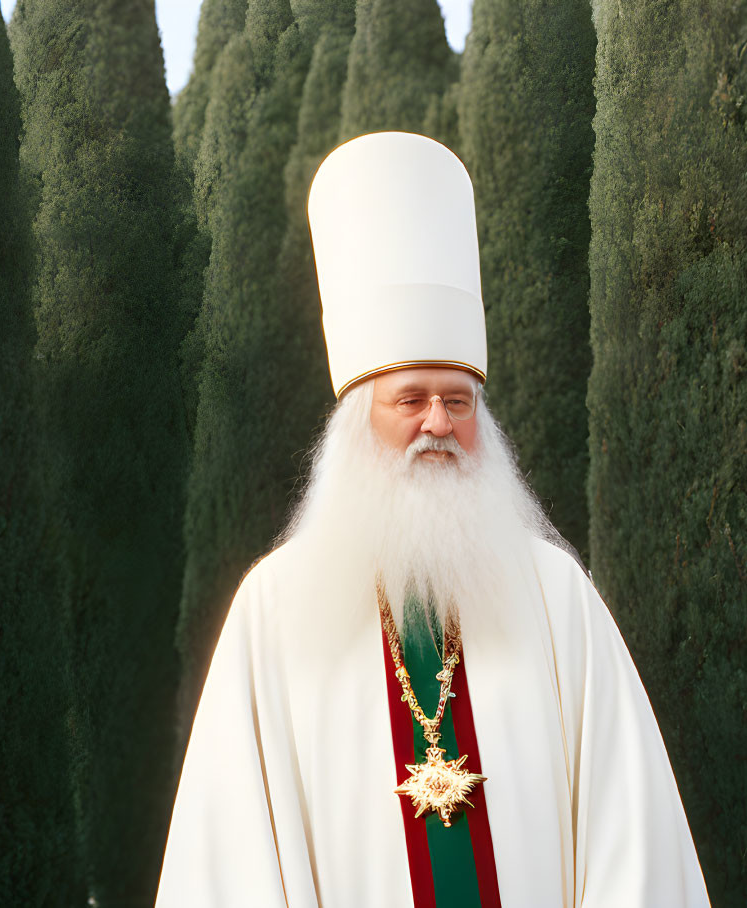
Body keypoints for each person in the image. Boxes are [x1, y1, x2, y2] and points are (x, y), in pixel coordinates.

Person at [155, 132, 710, 907]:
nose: (437, 423)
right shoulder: (274, 608)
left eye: (458, 401)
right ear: (357, 422)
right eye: (409, 400)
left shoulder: (555, 596)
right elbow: (233, 855)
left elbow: (629, 830)